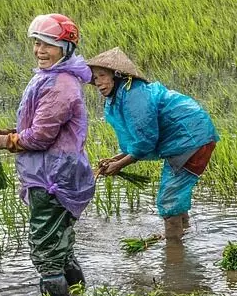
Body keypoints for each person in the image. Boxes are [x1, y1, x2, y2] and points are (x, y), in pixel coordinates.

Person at [0, 13, 95, 296]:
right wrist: (3, 132)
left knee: (46, 253)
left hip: (53, 178)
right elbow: (36, 128)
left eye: (48, 45)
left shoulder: (60, 85)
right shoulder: (51, 77)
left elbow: (40, 136)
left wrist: (2, 141)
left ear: (65, 48)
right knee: (61, 247)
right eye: (37, 43)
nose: (40, 50)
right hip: (57, 174)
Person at [86, 47, 218, 240]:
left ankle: (173, 255)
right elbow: (139, 140)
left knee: (169, 198)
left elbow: (146, 140)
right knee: (176, 192)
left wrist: (119, 165)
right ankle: (184, 234)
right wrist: (115, 159)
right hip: (186, 139)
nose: (98, 82)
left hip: (191, 139)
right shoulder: (121, 95)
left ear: (117, 75)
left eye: (102, 75)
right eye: (95, 78)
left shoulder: (134, 95)